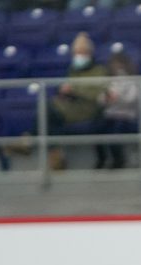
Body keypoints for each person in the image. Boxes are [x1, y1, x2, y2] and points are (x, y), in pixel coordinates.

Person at [47, 32, 107, 170]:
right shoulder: (73, 70)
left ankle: (30, 143)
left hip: (89, 109)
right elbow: (72, 90)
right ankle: (54, 154)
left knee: (49, 112)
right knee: (48, 111)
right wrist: (64, 93)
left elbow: (96, 94)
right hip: (72, 107)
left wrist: (74, 90)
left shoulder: (99, 70)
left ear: (89, 53)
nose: (78, 57)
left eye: (81, 53)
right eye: (75, 54)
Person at [95, 51, 138, 170]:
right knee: (97, 129)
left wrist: (117, 98)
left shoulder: (132, 80)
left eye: (119, 64)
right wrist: (107, 98)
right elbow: (100, 99)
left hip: (125, 115)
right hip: (110, 114)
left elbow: (132, 99)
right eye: (114, 64)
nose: (117, 67)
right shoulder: (109, 81)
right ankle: (101, 159)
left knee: (115, 132)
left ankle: (119, 160)